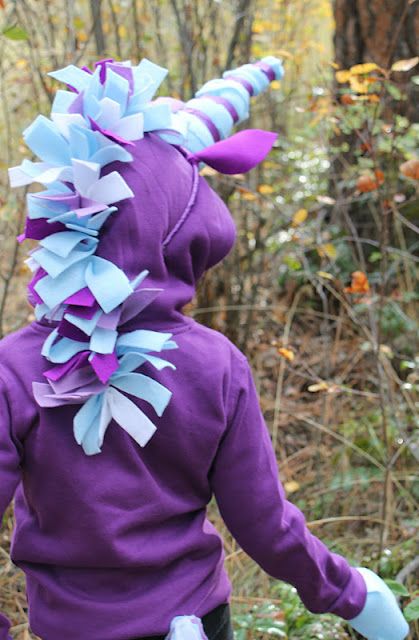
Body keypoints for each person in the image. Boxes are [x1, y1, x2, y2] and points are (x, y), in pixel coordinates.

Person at [0, 56, 409, 640]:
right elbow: (266, 526)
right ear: (185, 230)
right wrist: (353, 594)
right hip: (192, 623)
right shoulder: (216, 365)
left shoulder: (14, 368)